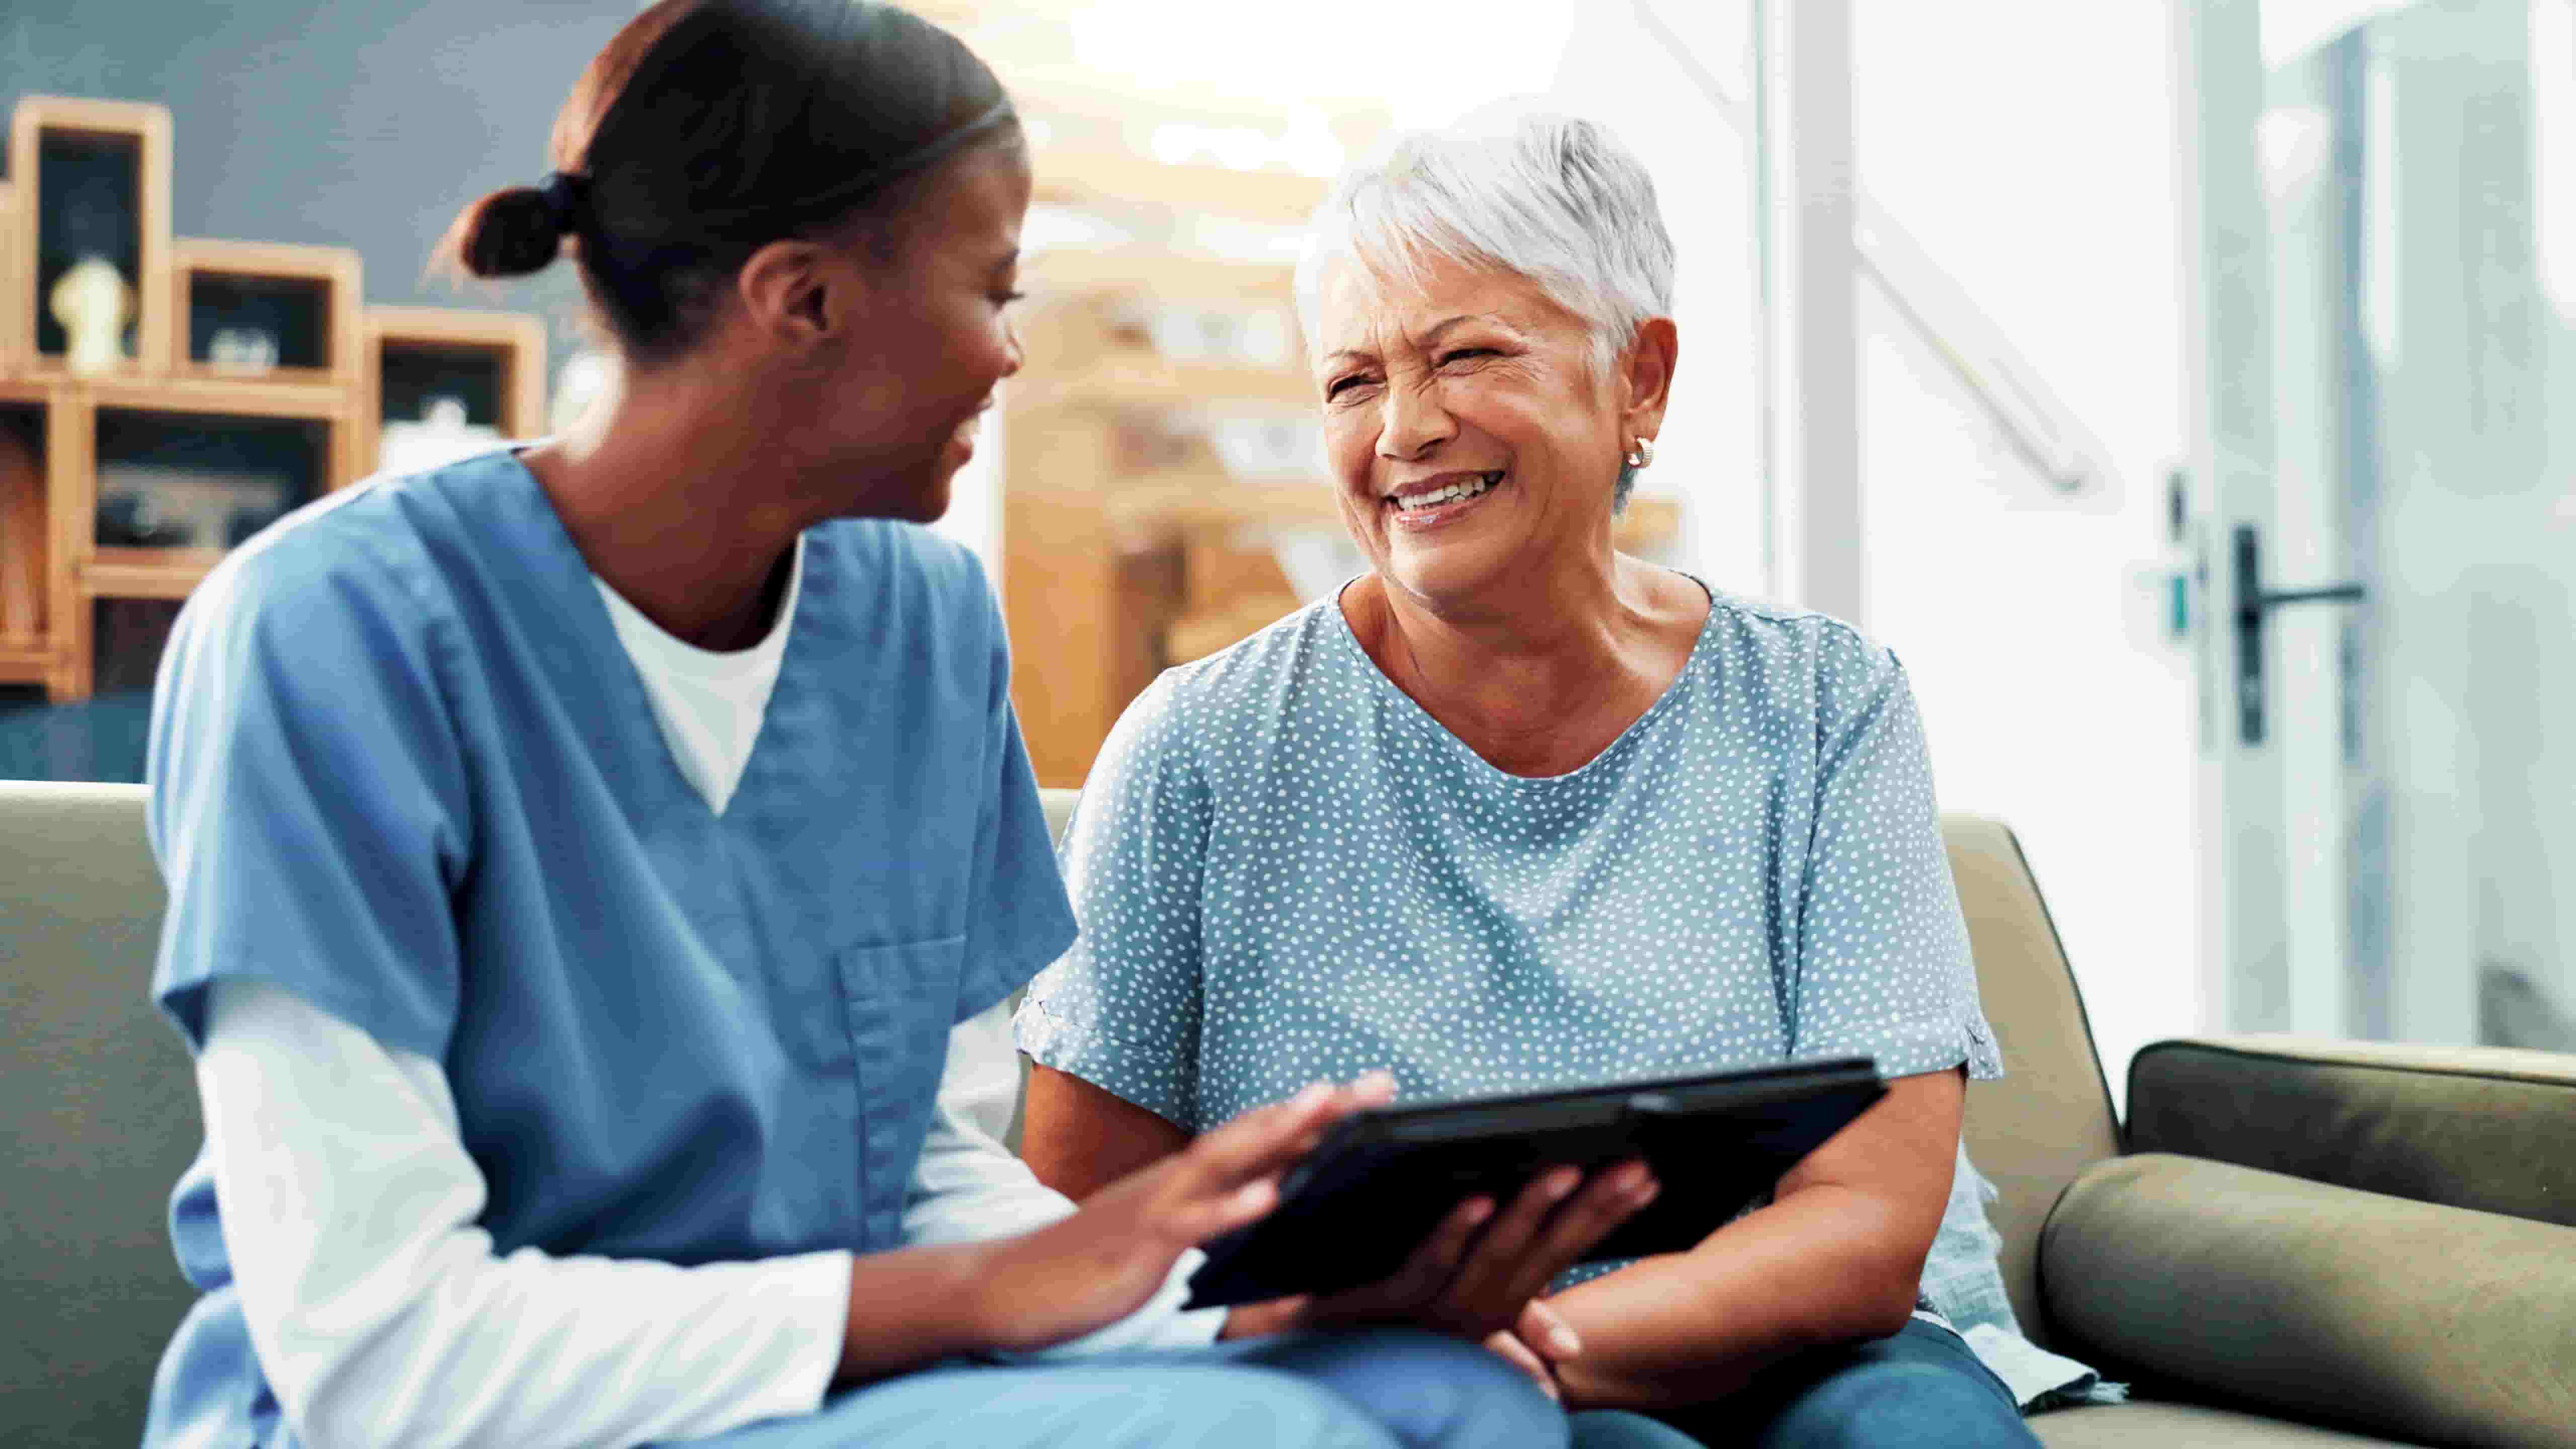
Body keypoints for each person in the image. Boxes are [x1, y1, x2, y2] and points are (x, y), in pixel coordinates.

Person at [137, 9, 1647, 1447]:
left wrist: (1217, 1300)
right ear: (804, 303)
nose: (1009, 355)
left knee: (1459, 1401)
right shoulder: (335, 629)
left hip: (828, 1389)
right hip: (481, 1417)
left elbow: (917, 1160)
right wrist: (989, 1296)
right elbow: (377, 1359)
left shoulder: (920, 623)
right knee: (1283, 1438)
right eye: (992, 292)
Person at [1015, 110, 2113, 1449]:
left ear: (1639, 378)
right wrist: (1445, 1363)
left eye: (1467, 355)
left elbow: (1864, 1224)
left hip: (1794, 1345)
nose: (1405, 428)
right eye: (1353, 382)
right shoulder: (1199, 748)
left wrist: (1541, 1346)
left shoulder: (1827, 705)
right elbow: (1088, 1239)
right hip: (1375, 1369)